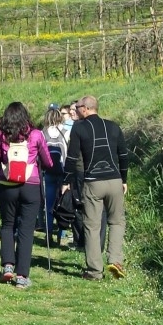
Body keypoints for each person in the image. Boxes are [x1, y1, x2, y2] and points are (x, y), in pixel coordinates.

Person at [0, 102, 55, 289]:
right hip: (30, 185)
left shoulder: (1, 135)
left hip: (7, 186)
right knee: (26, 230)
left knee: (7, 225)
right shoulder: (36, 134)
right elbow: (48, 162)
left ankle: (8, 265)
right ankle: (22, 276)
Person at [61, 96, 128, 281]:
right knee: (117, 222)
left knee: (92, 225)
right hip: (115, 180)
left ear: (85, 108)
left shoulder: (79, 127)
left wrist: (66, 180)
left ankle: (94, 271)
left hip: (93, 182)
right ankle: (115, 259)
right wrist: (124, 179)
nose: (76, 109)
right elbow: (123, 155)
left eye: (78, 107)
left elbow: (72, 157)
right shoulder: (113, 126)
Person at [39, 104, 69, 238]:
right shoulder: (66, 131)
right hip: (63, 171)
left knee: (49, 203)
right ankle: (61, 233)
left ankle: (49, 232)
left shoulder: (42, 132)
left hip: (48, 172)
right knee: (63, 203)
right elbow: (68, 154)